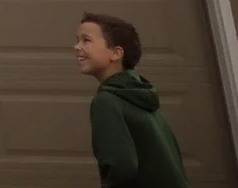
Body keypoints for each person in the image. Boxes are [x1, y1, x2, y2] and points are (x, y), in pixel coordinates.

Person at [76, 12, 191, 188]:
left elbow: (121, 167)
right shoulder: (140, 94)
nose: (77, 47)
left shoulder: (107, 101)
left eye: (86, 40)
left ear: (116, 53)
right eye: (78, 40)